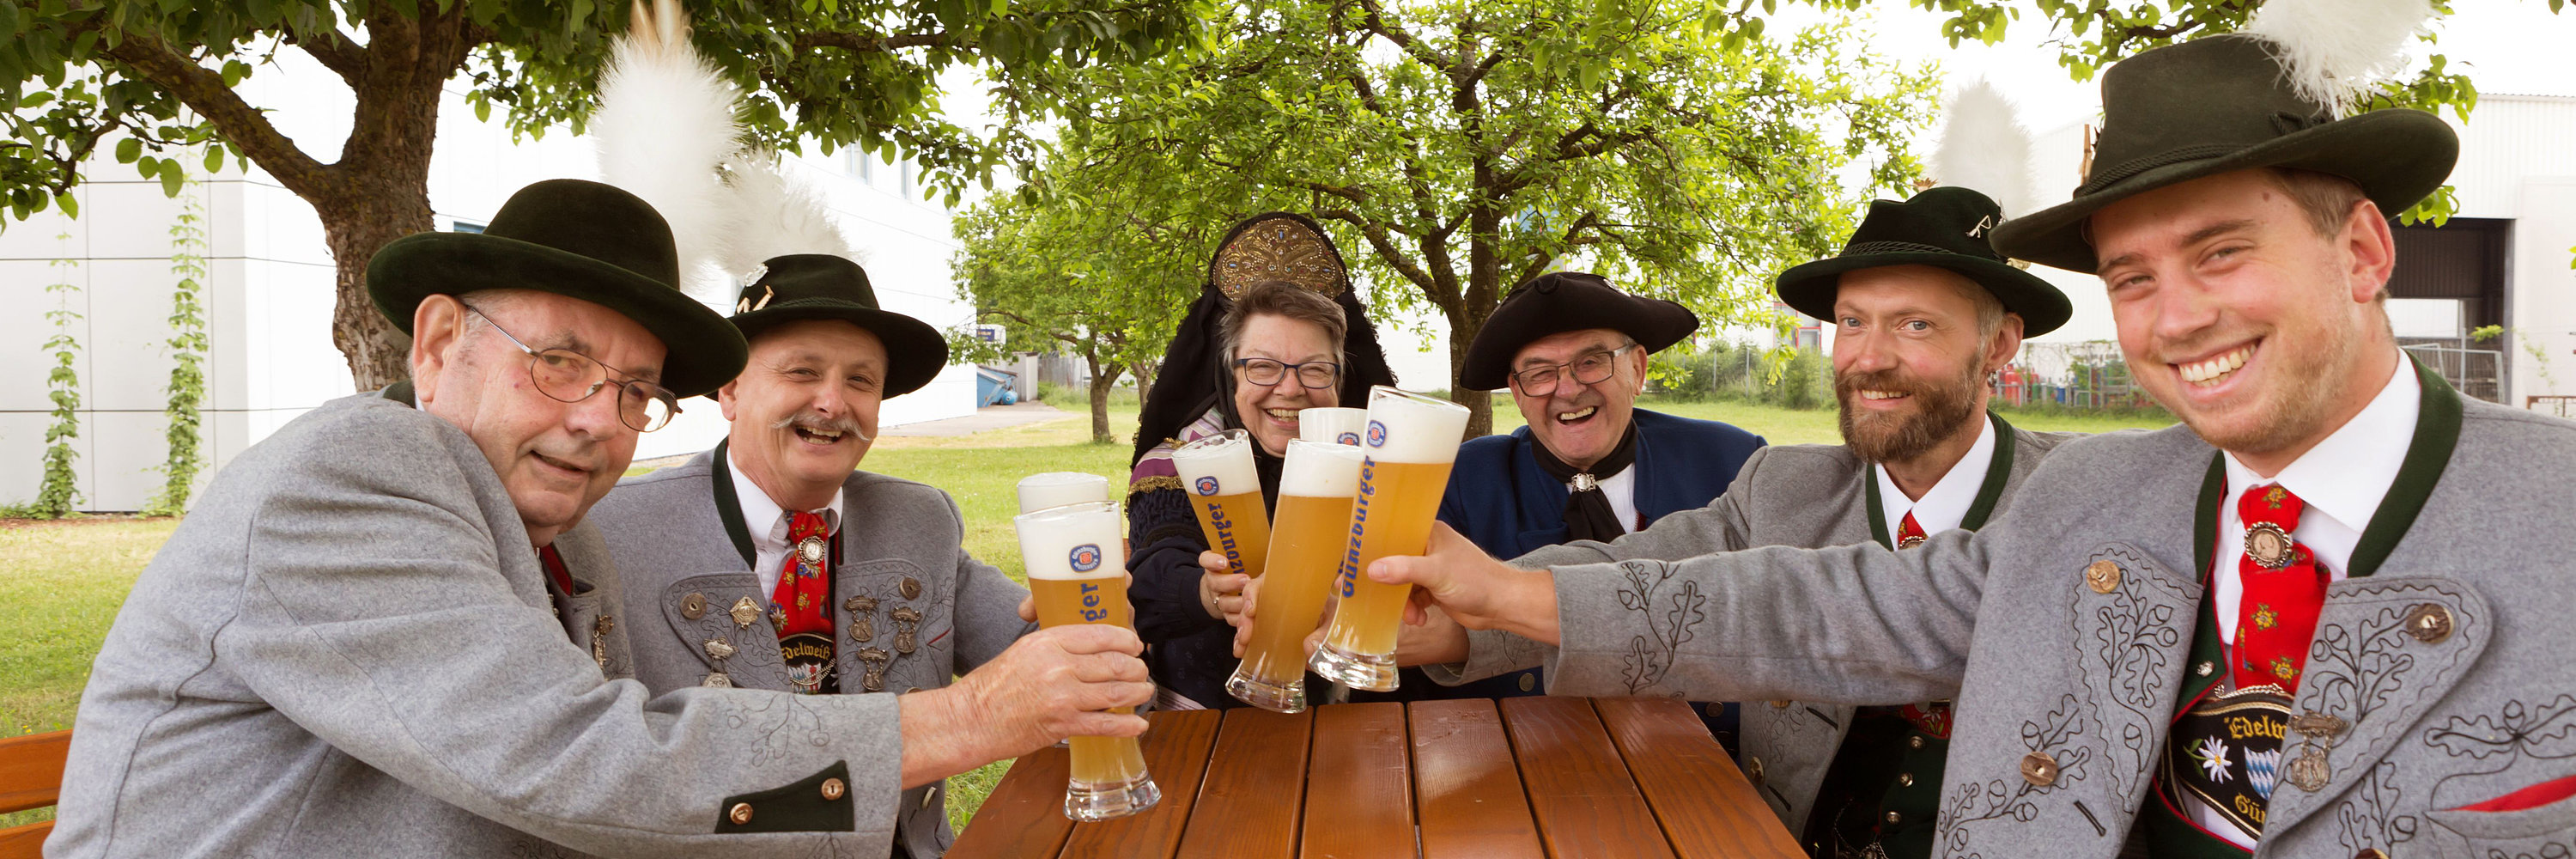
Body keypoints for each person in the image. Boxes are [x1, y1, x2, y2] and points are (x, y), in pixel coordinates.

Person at [1371, 33, 2576, 858]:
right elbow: (1807, 606)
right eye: (2132, 276)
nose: (2176, 316)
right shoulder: (2101, 498)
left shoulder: (2555, 512)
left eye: (2221, 251)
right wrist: (1494, 599)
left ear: (2365, 253)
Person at [47, 180, 1151, 858]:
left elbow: (625, 802)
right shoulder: (352, 471)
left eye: (633, 391)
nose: (596, 419)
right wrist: (963, 724)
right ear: (437, 346)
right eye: (559, 362)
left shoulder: (568, 543)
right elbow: (581, 759)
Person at [1430, 187, 2079, 859]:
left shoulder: (2078, 496)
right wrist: (1453, 623)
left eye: (1915, 325)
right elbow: (1635, 570)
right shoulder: (1783, 485)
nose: (1869, 357)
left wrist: (1495, 600)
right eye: (1852, 323)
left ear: (1999, 343)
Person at [586, 253, 1104, 857]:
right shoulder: (609, 528)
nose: (833, 402)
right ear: (730, 390)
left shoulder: (920, 519)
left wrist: (1094, 610)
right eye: (803, 372)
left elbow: (1080, 681)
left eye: (861, 381)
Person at [1354, 272, 1764, 727]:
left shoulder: (1733, 461)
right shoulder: (1460, 481)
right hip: (1523, 762)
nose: (1567, 389)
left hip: (1710, 760)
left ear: (1638, 369)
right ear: (1517, 393)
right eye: (1540, 373)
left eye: (1591, 361)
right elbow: (1412, 632)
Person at [1127, 212, 1400, 709]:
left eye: (1315, 369)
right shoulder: (1178, 461)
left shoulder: (1385, 468)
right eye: (1264, 367)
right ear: (1230, 375)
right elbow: (1154, 572)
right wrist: (1209, 592)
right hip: (1211, 730)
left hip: (1359, 727)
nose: (1290, 389)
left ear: (1340, 378)